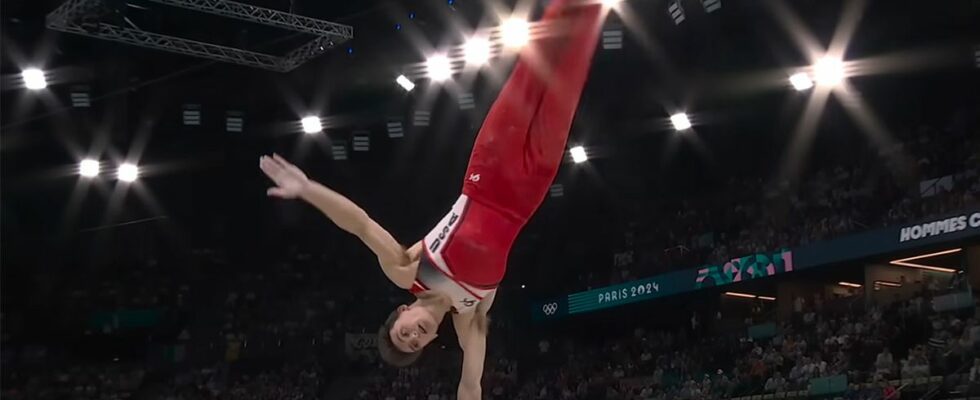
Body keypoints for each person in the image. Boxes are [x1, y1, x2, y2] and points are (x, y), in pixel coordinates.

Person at [259, 0, 605, 397]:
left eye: (403, 333)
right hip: (531, 190)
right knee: (571, 75)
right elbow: (470, 383)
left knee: (537, 61)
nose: (413, 337)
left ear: (402, 313)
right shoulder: (470, 315)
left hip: (490, 169)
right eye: (414, 344)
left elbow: (361, 224)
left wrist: (308, 190)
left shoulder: (410, 272)